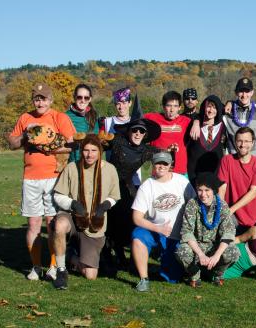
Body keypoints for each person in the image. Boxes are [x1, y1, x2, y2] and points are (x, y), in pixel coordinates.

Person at [7, 83, 76, 281]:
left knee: (52, 223)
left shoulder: (59, 117)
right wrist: (26, 134)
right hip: (30, 178)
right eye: (37, 98)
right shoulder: (25, 118)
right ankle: (36, 266)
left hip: (53, 176)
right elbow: (12, 143)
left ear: (50, 100)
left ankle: (53, 266)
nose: (40, 102)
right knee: (33, 223)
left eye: (44, 98)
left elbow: (71, 144)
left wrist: (49, 142)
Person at [50, 134, 120, 289]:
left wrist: (104, 207)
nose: (89, 154)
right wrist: (73, 204)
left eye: (93, 150)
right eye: (86, 150)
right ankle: (61, 270)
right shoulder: (71, 167)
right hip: (73, 215)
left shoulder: (109, 169)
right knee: (60, 225)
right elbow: (58, 195)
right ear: (81, 151)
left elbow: (114, 196)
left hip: (94, 223)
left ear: (100, 151)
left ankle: (71, 256)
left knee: (90, 276)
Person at [130, 151, 196, 292]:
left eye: (164, 163)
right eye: (158, 163)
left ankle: (172, 264)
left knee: (171, 278)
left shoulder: (182, 182)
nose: (161, 166)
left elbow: (195, 205)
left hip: (178, 236)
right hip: (155, 231)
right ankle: (144, 280)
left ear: (170, 165)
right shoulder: (147, 185)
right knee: (138, 236)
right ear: (153, 164)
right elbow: (136, 217)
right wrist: (158, 228)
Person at [104, 116, 163, 270]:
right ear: (129, 132)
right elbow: (99, 145)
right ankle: (106, 254)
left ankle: (121, 253)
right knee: (109, 220)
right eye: (134, 130)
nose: (137, 133)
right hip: (109, 185)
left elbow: (164, 157)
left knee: (128, 219)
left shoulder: (145, 150)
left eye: (141, 131)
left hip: (127, 187)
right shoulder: (117, 141)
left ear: (145, 134)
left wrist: (172, 151)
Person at [176, 172, 240, 287]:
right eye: (200, 190)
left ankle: (218, 274)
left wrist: (217, 255)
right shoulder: (192, 204)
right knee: (182, 252)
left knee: (233, 252)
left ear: (214, 190)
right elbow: (187, 232)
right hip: (197, 246)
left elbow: (228, 233)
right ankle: (195, 275)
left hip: (215, 246)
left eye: (207, 190)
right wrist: (200, 254)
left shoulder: (222, 206)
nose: (203, 194)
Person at [218, 127, 256, 233]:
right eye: (239, 141)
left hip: (252, 218)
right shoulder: (227, 160)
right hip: (231, 217)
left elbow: (253, 192)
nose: (243, 145)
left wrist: (231, 209)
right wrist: (220, 210)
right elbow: (222, 188)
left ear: (253, 143)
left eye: (247, 141)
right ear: (235, 142)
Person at [144, 91, 191, 175]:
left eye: (175, 106)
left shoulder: (186, 121)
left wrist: (196, 122)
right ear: (163, 106)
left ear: (180, 107)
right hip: (158, 169)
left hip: (179, 170)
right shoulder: (152, 118)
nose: (172, 110)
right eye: (169, 105)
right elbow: (135, 119)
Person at [223, 77, 256, 158]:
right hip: (234, 161)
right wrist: (196, 121)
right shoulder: (227, 112)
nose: (244, 95)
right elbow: (210, 109)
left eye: (247, 91)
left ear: (252, 92)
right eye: (241, 91)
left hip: (255, 161)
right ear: (236, 92)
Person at [186, 95, 226, 186]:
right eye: (209, 106)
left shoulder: (223, 126)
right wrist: (196, 121)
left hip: (215, 173)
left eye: (214, 107)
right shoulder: (193, 125)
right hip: (194, 174)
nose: (211, 110)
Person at [66, 84, 99, 163]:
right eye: (79, 97)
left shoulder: (94, 116)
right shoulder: (65, 116)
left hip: (92, 162)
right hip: (74, 162)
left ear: (90, 99)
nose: (83, 100)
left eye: (86, 98)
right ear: (74, 97)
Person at [101, 87, 133, 161]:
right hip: (112, 169)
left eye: (124, 102)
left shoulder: (137, 122)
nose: (121, 107)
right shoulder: (107, 122)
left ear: (130, 103)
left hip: (133, 170)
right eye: (118, 104)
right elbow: (99, 146)